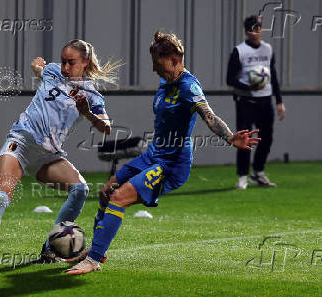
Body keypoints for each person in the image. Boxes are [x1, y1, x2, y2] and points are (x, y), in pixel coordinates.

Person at [65, 30, 261, 275]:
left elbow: (208, 115)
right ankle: (98, 248)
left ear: (175, 60)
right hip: (154, 154)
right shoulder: (165, 82)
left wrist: (230, 137)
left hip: (172, 164)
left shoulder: (189, 86)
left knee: (118, 198)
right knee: (106, 192)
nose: (154, 70)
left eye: (158, 64)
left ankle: (93, 260)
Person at [0, 39, 120, 268]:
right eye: (63, 62)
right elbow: (40, 68)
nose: (65, 67)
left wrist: (87, 113)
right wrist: (36, 66)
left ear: (85, 62)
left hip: (48, 155)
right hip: (20, 142)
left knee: (80, 189)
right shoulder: (52, 71)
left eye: (71, 62)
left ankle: (50, 249)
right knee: (1, 195)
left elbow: (106, 127)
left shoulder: (92, 96)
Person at [226, 15, 286, 190]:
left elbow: (273, 76)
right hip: (246, 100)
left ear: (261, 29)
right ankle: (242, 176)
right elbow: (230, 79)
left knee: (266, 138)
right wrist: (248, 85)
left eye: (258, 28)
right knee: (245, 139)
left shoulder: (267, 49)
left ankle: (258, 172)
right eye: (251, 29)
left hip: (265, 101)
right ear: (246, 31)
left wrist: (279, 101)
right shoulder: (239, 51)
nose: (255, 32)